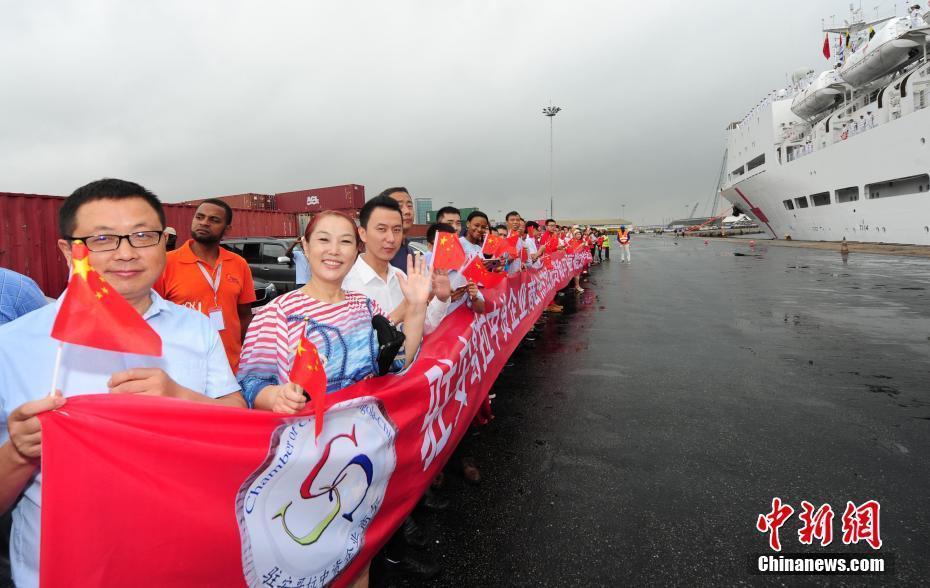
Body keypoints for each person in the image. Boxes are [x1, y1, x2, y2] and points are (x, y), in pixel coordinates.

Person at [0, 179, 245, 588]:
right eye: (102, 239)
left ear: (164, 243)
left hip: (190, 561)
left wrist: (179, 398)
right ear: (68, 250)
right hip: (66, 570)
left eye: (143, 235)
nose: (127, 252)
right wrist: (20, 452)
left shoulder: (194, 329)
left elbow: (240, 428)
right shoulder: (13, 344)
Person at [155, 199, 256, 374]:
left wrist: (247, 358)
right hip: (183, 369)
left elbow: (245, 317)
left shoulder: (238, 264)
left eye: (214, 220)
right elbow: (153, 318)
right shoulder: (166, 263)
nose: (204, 223)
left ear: (227, 229)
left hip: (230, 368)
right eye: (199, 217)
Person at [342, 196, 450, 333]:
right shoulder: (346, 286)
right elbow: (353, 346)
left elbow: (422, 329)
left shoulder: (401, 278)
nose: (391, 238)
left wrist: (441, 299)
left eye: (397, 230)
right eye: (381, 229)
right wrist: (398, 314)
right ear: (363, 234)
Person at [381, 187, 415, 272]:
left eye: (410, 206)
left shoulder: (410, 251)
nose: (407, 211)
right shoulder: (379, 251)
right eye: (399, 206)